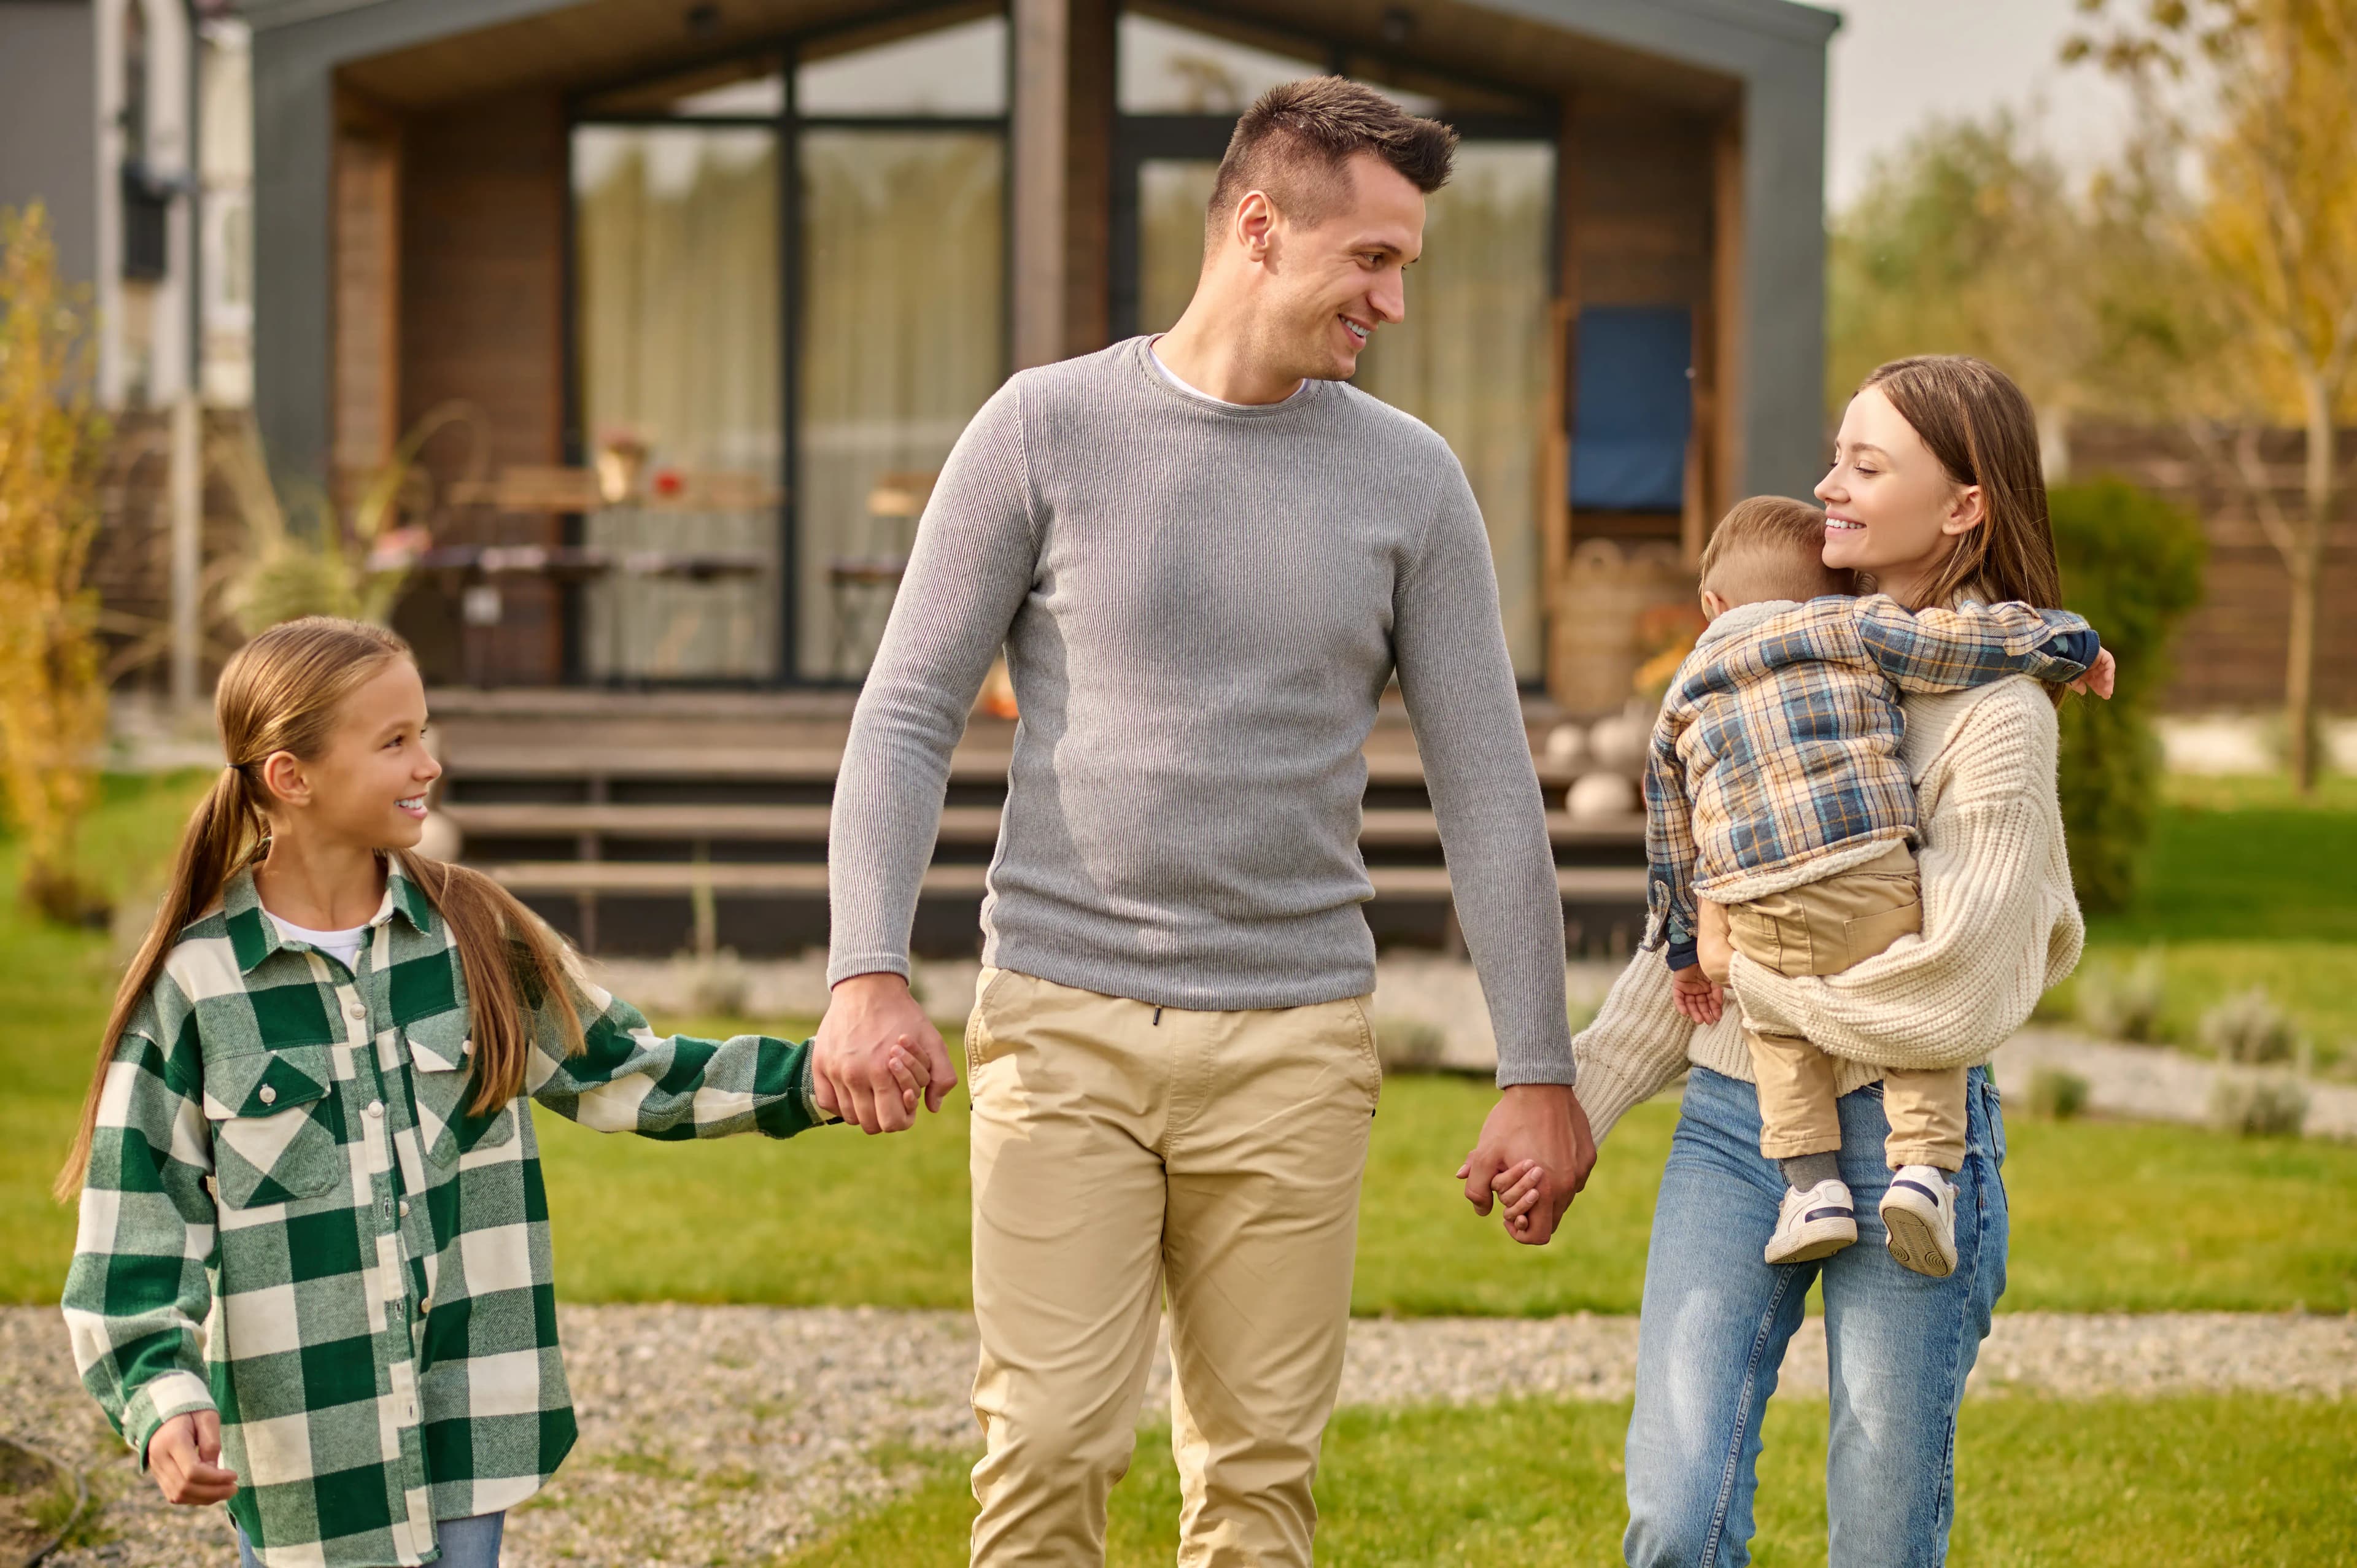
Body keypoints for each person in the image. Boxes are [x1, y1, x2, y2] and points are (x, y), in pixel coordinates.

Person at [816, 77, 1593, 1567]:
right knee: (1045, 1449)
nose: (1393, 304)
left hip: (1295, 1044)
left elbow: (1484, 781)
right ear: (1256, 226)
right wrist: (865, 969)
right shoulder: (1041, 429)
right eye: (1371, 261)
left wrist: (1536, 1068)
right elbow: (907, 709)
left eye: (1404, 269)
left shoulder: (1408, 481)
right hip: (1061, 1020)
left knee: (1254, 1493)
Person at [56, 617, 899, 1568]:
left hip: (471, 1418)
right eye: (396, 741)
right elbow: (135, 1232)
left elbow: (631, 1071)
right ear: (291, 776)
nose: (431, 764)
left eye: (425, 731)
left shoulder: (475, 933)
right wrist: (163, 1397)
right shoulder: (198, 986)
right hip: (307, 1448)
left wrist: (824, 1076)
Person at [1568, 356, 2116, 1567]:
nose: (1828, 483)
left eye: (1867, 464)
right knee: (1673, 1506)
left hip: (1913, 1141)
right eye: (1837, 454)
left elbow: (1961, 978)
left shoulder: (1999, 714)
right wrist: (1580, 1102)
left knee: (1879, 1527)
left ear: (1965, 504)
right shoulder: (1775, 661)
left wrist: (1750, 976)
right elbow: (1711, 905)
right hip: (1731, 1122)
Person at [1644, 495, 2101, 1275]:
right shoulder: (1848, 626)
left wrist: (1687, 947)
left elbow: (1670, 840)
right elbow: (1959, 647)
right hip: (1870, 868)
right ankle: (1924, 1171)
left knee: (1777, 1037)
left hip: (1758, 904)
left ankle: (1812, 1189)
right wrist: (2066, 641)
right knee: (1923, 1014)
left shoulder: (1682, 696)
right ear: (1835, 591)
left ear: (1711, 606)